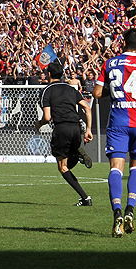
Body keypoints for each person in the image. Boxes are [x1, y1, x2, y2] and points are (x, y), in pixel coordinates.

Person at [92, 28, 136, 238]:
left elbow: (97, 92)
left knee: (116, 168)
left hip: (118, 120)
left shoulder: (109, 63)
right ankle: (130, 210)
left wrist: (117, 90)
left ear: (123, 43)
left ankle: (117, 213)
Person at [36, 61, 94, 206]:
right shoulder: (71, 89)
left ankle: (85, 198)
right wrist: (88, 130)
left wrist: (39, 124)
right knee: (66, 164)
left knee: (62, 167)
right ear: (62, 74)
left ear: (49, 74)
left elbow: (47, 117)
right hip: (76, 128)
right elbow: (87, 108)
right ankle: (76, 154)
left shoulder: (47, 91)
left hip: (62, 128)